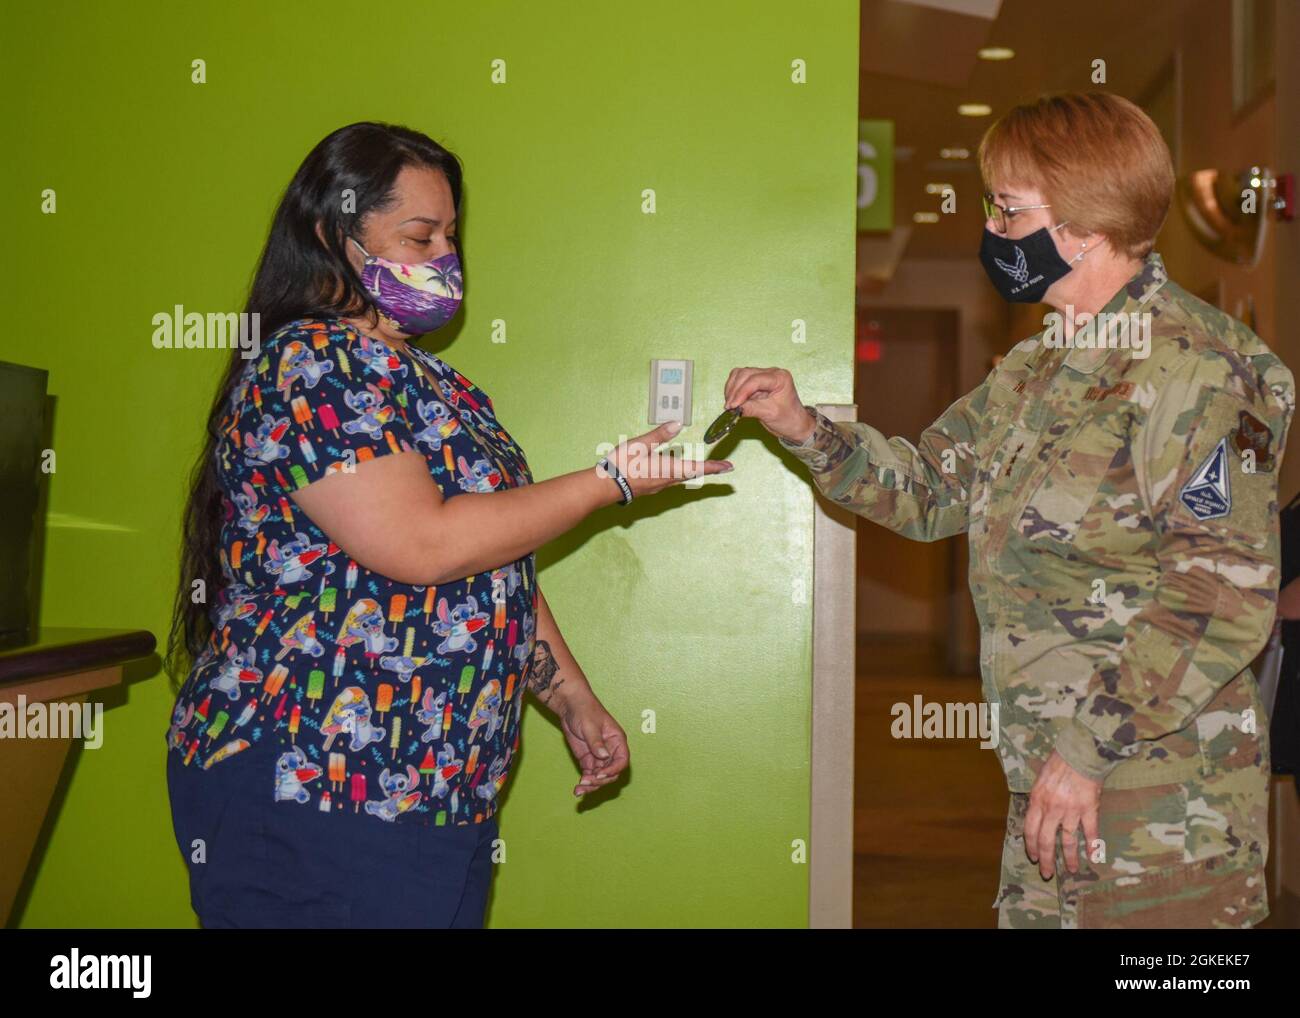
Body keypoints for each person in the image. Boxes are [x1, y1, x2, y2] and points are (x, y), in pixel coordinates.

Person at [726, 92, 1295, 928]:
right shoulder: (1037, 369)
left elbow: (1223, 593)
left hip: (1161, 807)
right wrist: (806, 429)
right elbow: (929, 489)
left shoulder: (1199, 370)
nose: (990, 227)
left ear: (1085, 225)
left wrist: (1084, 751)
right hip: (1053, 788)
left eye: (1008, 207)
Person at [162, 122, 732, 928]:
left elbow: (490, 550)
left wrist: (570, 698)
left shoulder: (442, 385)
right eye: (418, 236)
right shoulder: (311, 365)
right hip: (315, 783)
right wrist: (610, 482)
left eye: (449, 237)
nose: (441, 257)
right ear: (336, 235)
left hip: (435, 793)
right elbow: (421, 545)